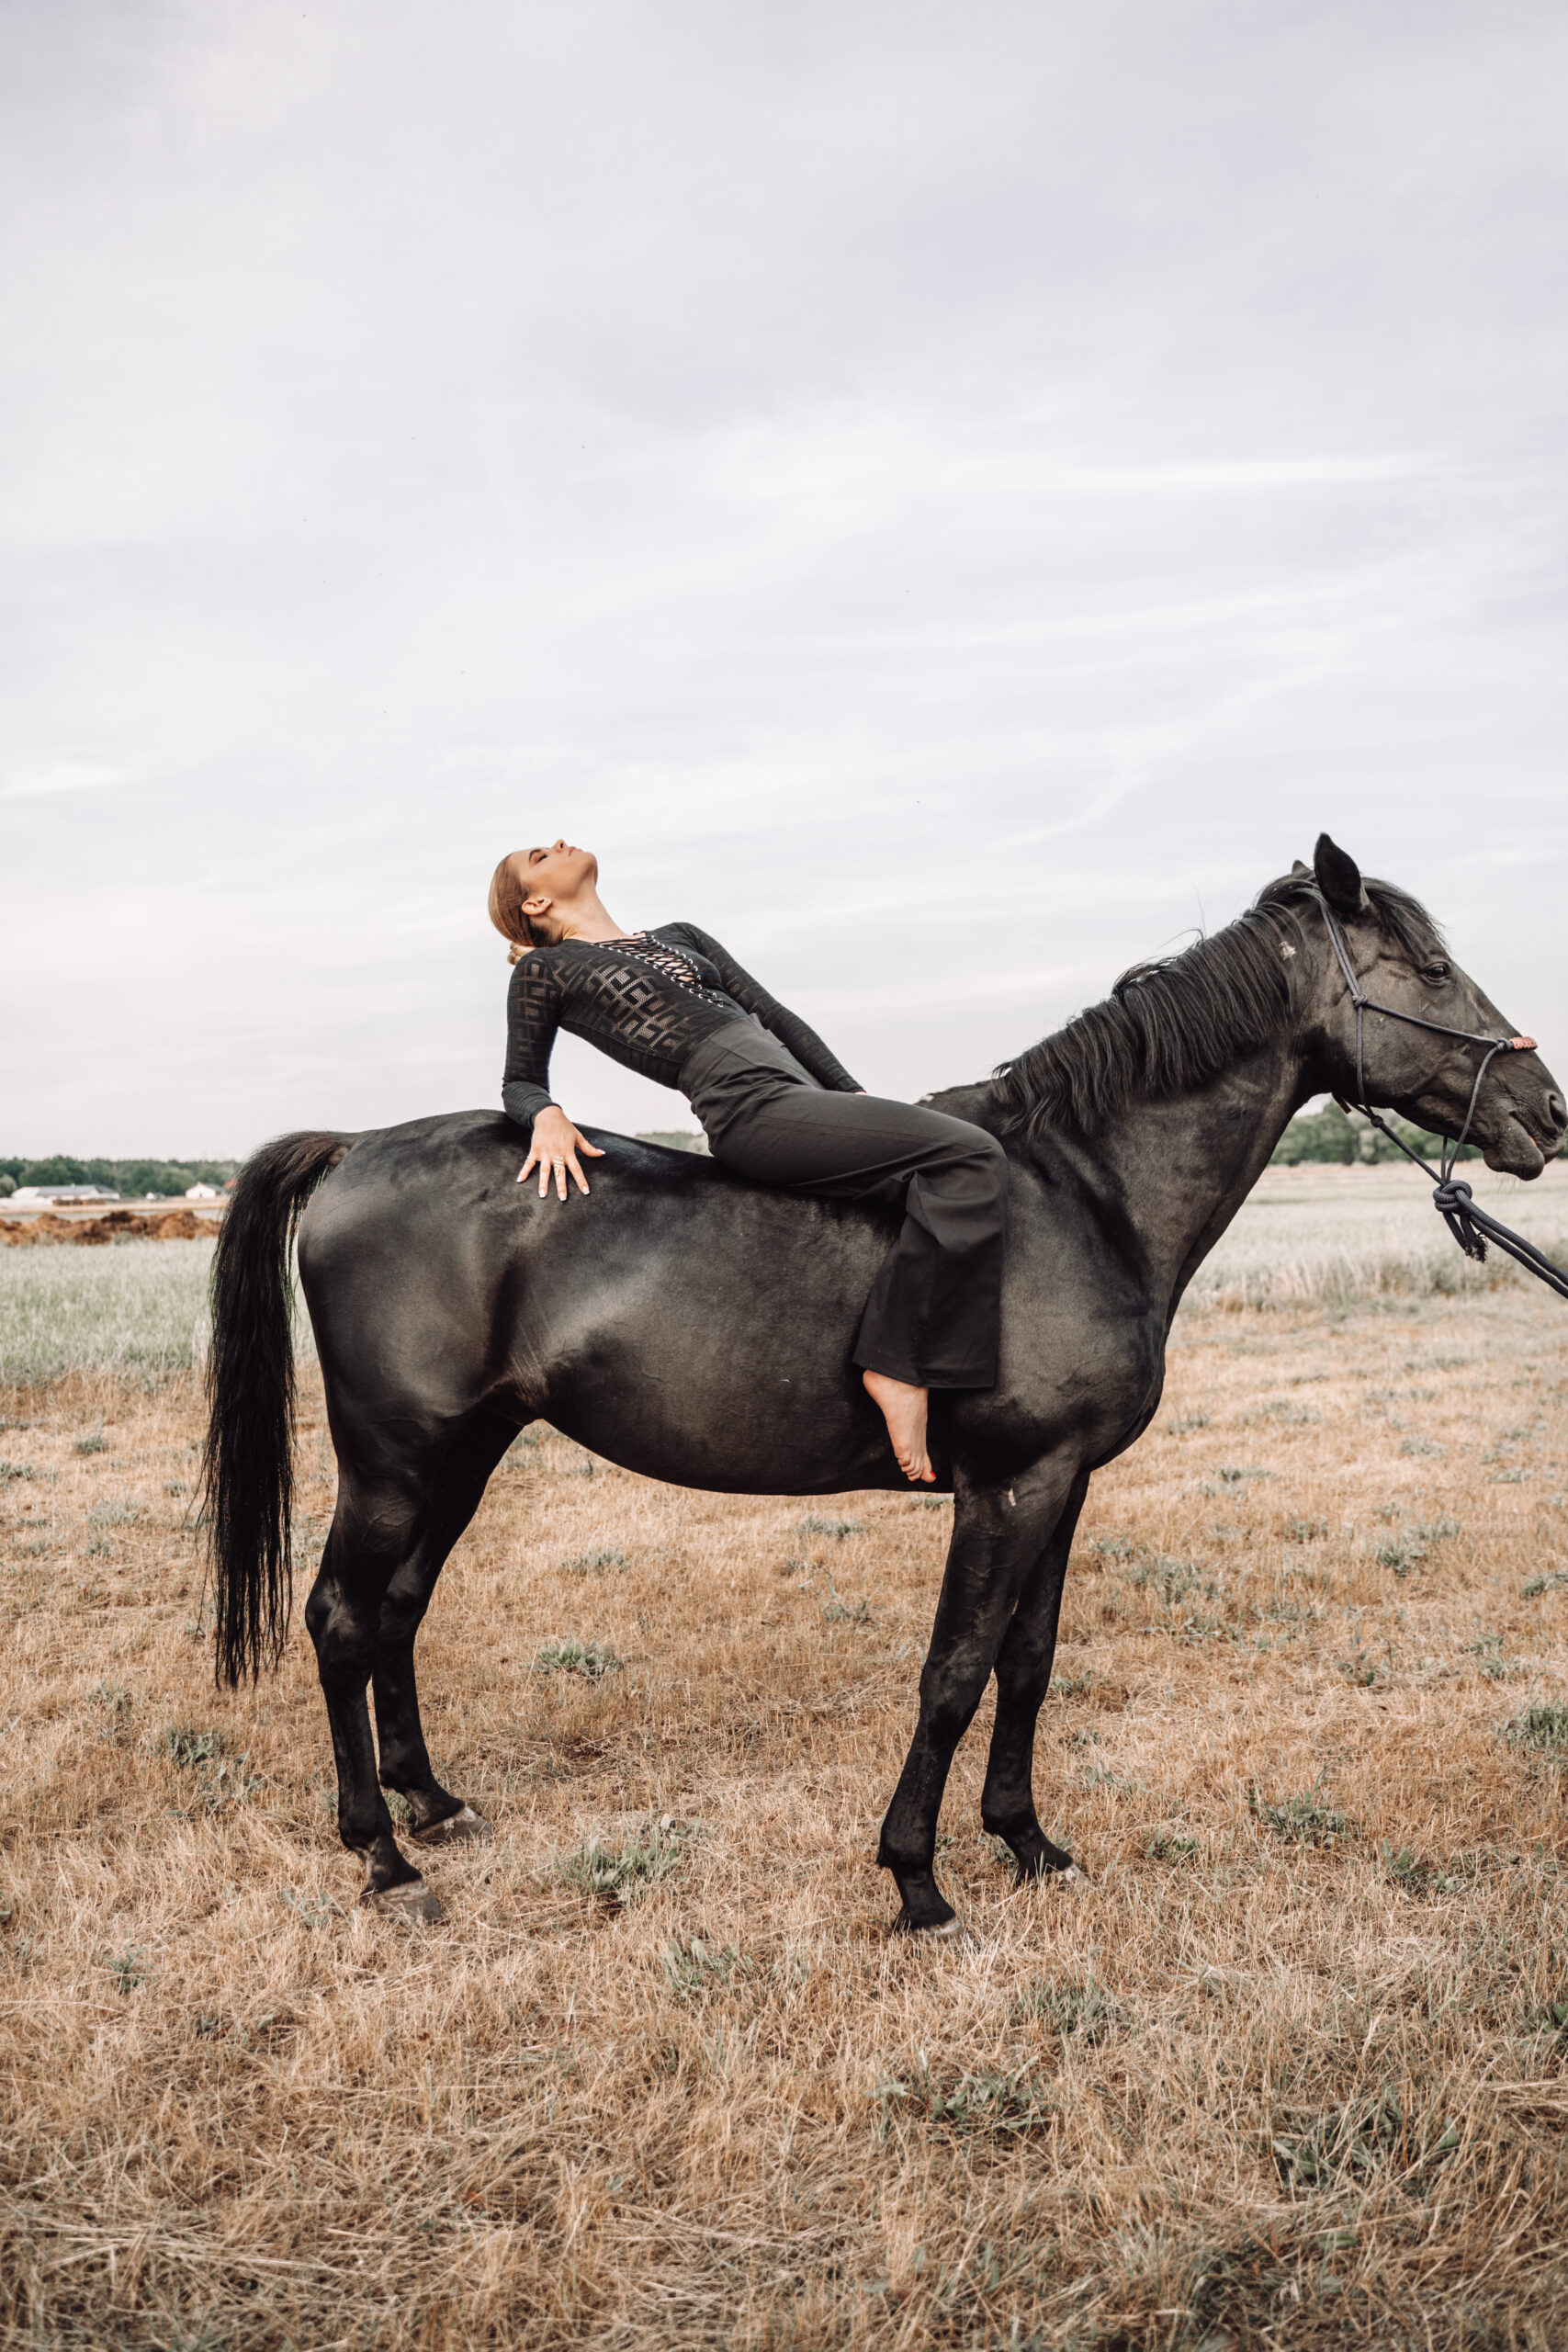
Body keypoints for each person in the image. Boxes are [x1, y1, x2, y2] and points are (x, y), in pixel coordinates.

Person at [488, 840, 1007, 1483]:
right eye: (539, 854)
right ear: (535, 901)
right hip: (750, 1111)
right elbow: (518, 1080)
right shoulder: (547, 970)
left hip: (800, 1099)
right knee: (972, 1152)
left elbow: (775, 1016)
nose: (559, 842)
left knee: (950, 1167)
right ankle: (896, 1367)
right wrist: (545, 1115)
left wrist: (848, 1093)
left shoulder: (680, 935)